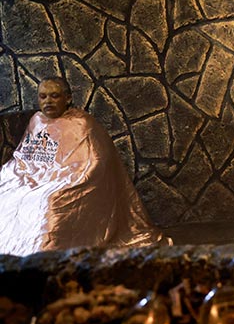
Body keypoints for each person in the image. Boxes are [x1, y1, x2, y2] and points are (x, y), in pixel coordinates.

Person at [0, 77, 167, 256]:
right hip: (34, 177)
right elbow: (24, 155)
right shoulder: (37, 120)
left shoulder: (82, 123)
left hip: (70, 180)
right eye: (43, 96)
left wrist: (60, 180)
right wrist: (21, 174)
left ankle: (42, 257)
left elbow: (96, 161)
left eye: (54, 96)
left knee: (49, 202)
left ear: (68, 98)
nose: (47, 101)